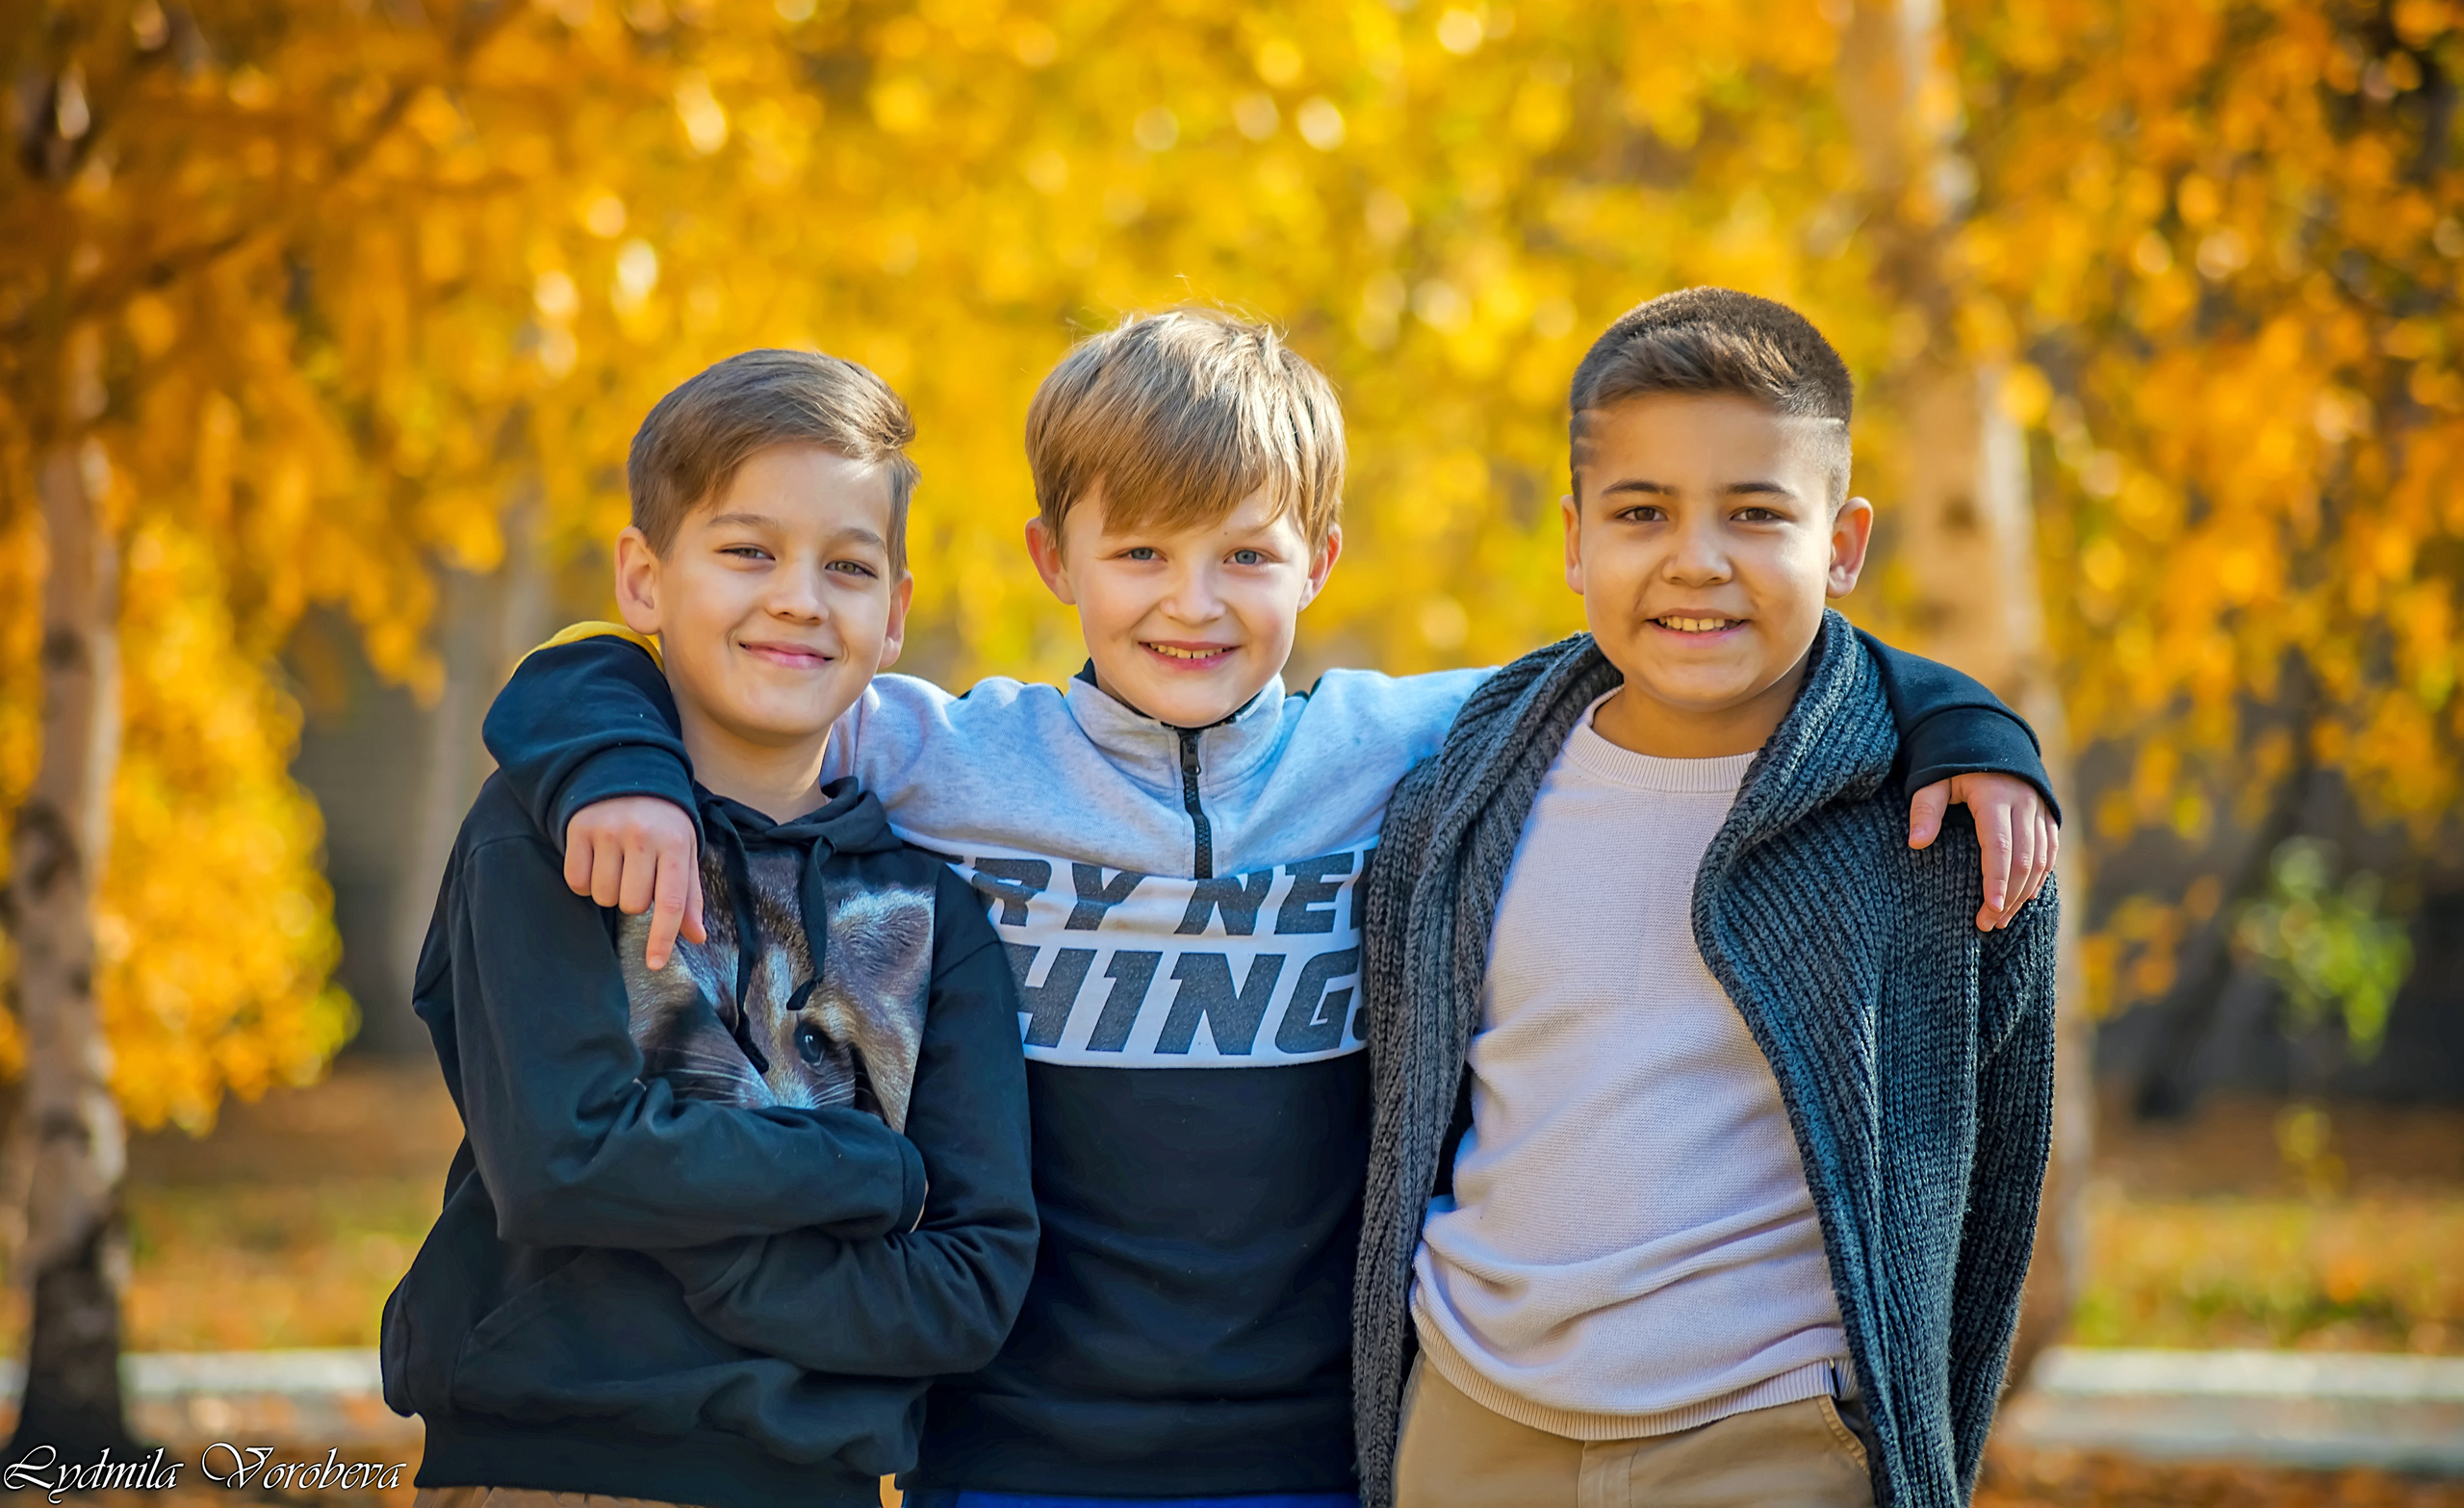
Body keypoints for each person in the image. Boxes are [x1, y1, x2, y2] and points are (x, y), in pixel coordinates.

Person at [476, 309, 2058, 1507]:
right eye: (1141, 551)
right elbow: (675, 667)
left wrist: (1958, 718)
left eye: (1247, 554)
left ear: (1322, 560)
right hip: (1012, 1442)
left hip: (1319, 1446)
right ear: (1052, 558)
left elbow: (1698, 638)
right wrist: (612, 761)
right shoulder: (943, 754)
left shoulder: (1410, 745)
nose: (1194, 600)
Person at [1352, 289, 2061, 1508]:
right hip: (1472, 1419)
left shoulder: (1935, 831)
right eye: (1641, 512)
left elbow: (1987, 1198)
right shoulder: (1459, 788)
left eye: (1755, 513)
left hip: (1774, 1435)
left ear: (1841, 544)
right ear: (1574, 538)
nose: (1695, 558)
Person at [382, 351, 1038, 1508]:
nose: (799, 597)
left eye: (847, 565)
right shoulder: (559, 838)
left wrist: (715, 1254)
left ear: (893, 616)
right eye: (749, 551)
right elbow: (564, 1163)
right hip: (550, 1472)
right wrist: (866, 1168)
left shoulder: (934, 919)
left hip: (819, 1486)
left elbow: (973, 1285)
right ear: (644, 580)